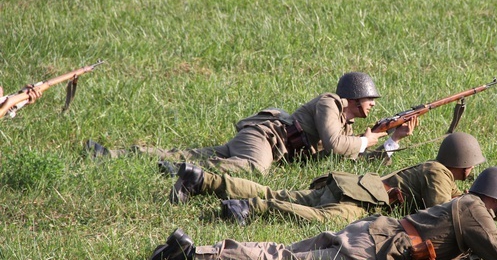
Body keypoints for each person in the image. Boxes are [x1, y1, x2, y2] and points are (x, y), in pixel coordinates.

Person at [147, 167, 497, 260]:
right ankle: (192, 257)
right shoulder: (476, 211)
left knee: (281, 252)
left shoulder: (466, 204)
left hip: (368, 230)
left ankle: (194, 251)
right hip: (371, 251)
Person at [84, 72, 415, 175]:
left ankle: (116, 155)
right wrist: (367, 140)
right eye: (371, 99)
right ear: (355, 98)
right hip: (265, 137)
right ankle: (189, 173)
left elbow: (356, 161)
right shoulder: (331, 103)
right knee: (255, 169)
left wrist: (391, 140)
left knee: (191, 151)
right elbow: (334, 146)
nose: (373, 105)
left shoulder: (348, 129)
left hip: (269, 143)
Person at [171, 132, 497, 225]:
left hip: (349, 184)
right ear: (464, 164)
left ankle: (202, 179)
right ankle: (249, 208)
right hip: (362, 202)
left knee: (282, 191)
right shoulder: (437, 173)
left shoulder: (439, 173)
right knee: (317, 218)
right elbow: (443, 212)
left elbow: (459, 197)